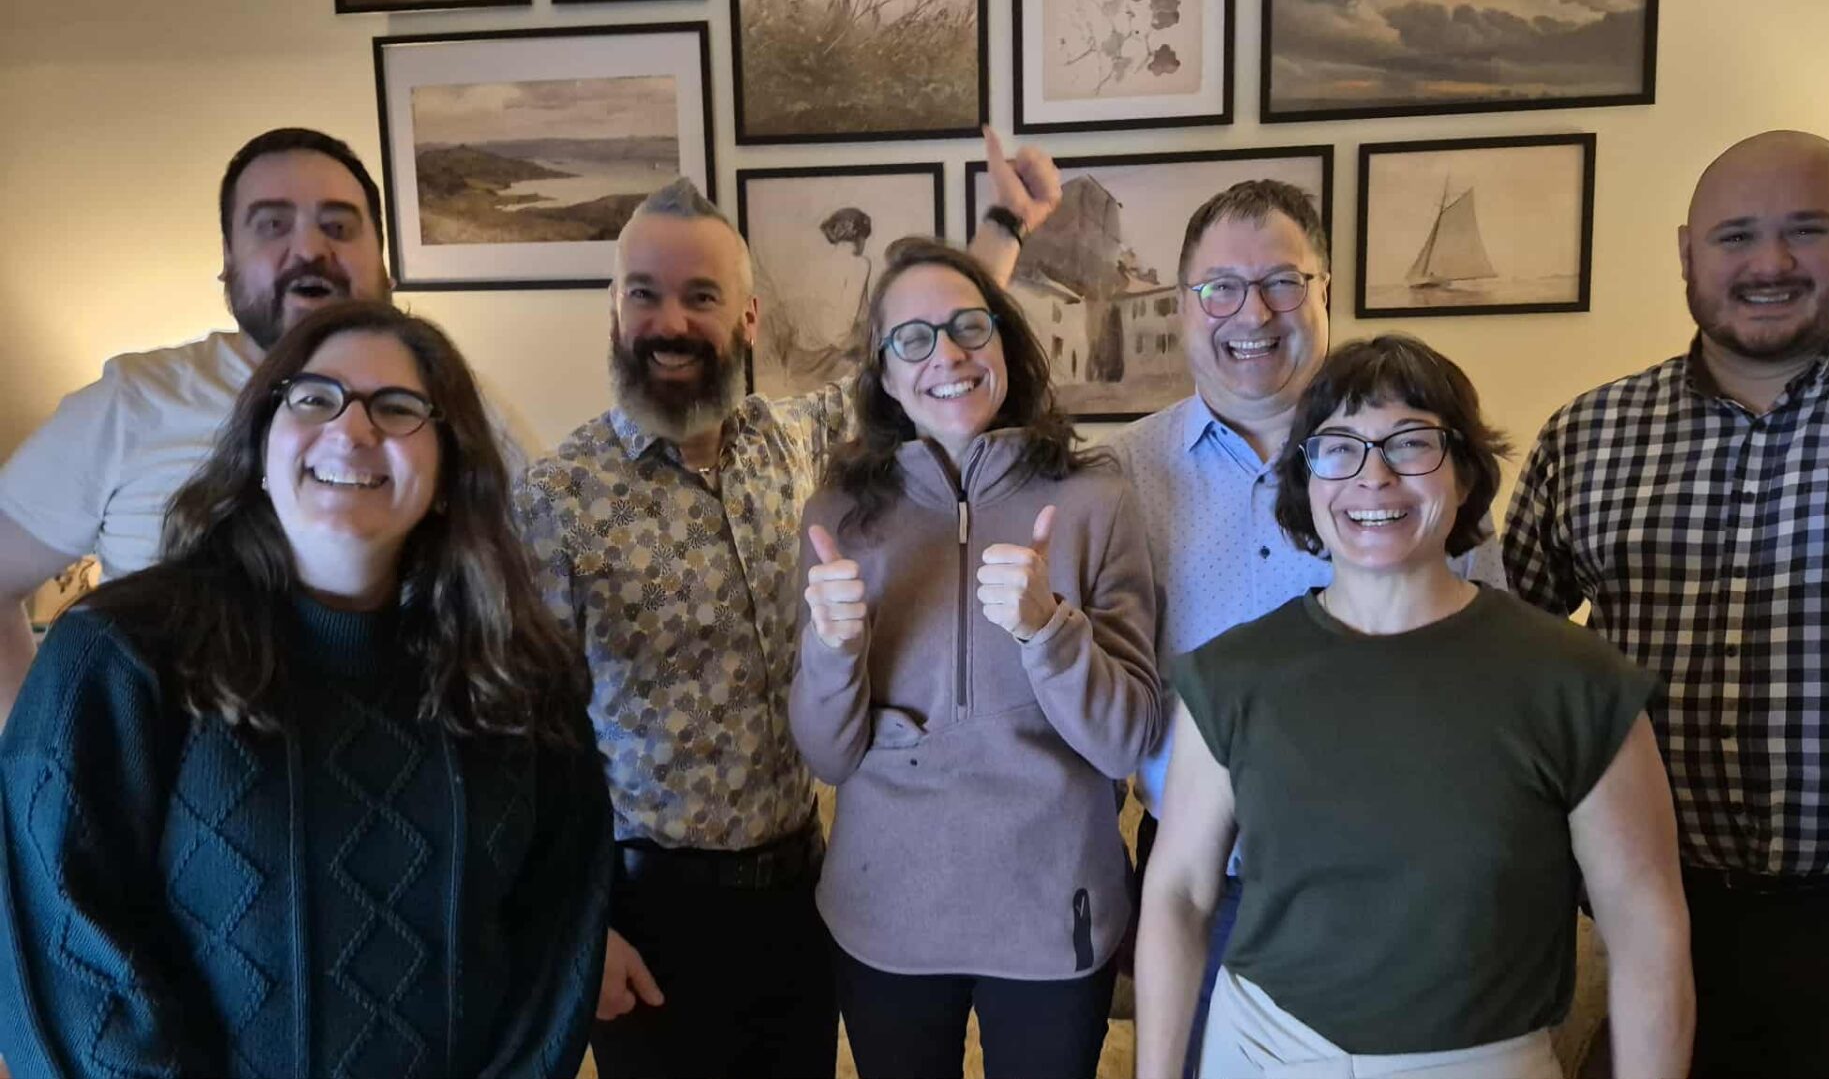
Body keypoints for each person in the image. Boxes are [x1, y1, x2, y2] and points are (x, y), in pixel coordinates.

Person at [512, 129, 1061, 1078]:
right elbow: (522, 743)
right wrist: (581, 933)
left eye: (701, 296)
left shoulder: (791, 441)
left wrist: (1006, 221)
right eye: (644, 293)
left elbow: (921, 343)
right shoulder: (555, 499)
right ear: (613, 311)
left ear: (750, 319)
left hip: (799, 897)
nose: (670, 321)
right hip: (645, 916)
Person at [0, 300, 611, 1076]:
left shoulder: (527, 682)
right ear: (261, 441)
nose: (352, 430)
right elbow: (67, 974)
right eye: (315, 399)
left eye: (397, 408)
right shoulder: (118, 658)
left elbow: (553, 966)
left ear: (451, 473)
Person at [1137, 335, 1694, 1079]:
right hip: (1261, 1053)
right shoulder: (1230, 674)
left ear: (1466, 473)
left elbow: (1645, 930)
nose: (1374, 477)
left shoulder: (1577, 681)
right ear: (1306, 480)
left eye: (1411, 444)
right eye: (1339, 448)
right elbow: (1178, 895)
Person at [1503, 129, 1829, 1078]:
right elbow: (1493, 649)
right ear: (1686, 249)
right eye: (1735, 237)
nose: (1768, 263)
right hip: (1658, 918)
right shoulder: (1591, 432)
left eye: (1804, 231)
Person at [1105, 179, 1506, 1075]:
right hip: (1199, 884)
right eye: (1220, 287)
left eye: (1283, 282)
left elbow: (1487, 666)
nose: (1252, 312)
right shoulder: (1118, 476)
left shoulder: (1412, 467)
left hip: (1400, 882)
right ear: (1182, 305)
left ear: (1326, 293)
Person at [0, 126, 534, 719]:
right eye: (272, 225)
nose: (309, 250)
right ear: (228, 262)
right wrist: (35, 751)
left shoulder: (459, 407)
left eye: (339, 226)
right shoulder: (132, 403)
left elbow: (535, 597)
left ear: (382, 259)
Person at [791, 238, 1159, 1079]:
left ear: (1005, 345)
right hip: (885, 912)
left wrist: (1047, 629)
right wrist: (834, 649)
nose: (947, 355)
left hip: (1053, 913)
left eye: (968, 327)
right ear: (882, 374)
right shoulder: (836, 515)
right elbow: (825, 752)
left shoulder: (1096, 499)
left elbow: (1127, 738)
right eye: (912, 339)